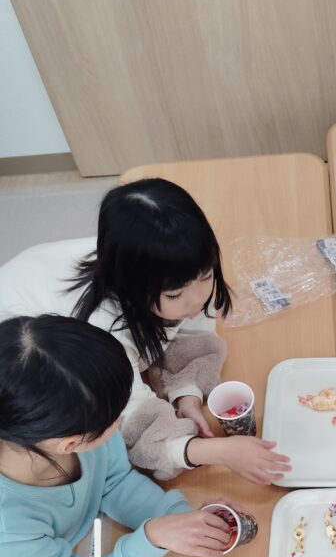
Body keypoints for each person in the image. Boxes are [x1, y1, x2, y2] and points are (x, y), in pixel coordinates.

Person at [0, 178, 290, 483]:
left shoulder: (159, 263)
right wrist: (215, 452)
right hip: (19, 353)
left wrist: (186, 395)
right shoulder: (101, 335)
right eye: (175, 294)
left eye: (206, 276)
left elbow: (190, 328)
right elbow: (128, 423)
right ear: (131, 288)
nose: (198, 299)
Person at [0, 316, 239, 557]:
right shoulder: (10, 528)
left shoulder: (72, 424)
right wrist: (151, 538)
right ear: (70, 444)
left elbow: (114, 481)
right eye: (114, 419)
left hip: (72, 541)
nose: (119, 423)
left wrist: (177, 518)